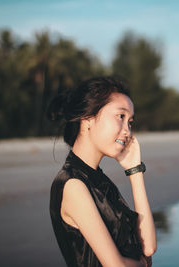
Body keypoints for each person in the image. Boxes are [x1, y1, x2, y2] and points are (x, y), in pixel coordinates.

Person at [48, 76, 156, 267]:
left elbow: (148, 248)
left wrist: (135, 171)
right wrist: (144, 264)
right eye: (120, 117)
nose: (127, 131)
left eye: (130, 122)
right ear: (88, 118)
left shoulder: (99, 181)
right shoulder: (73, 184)